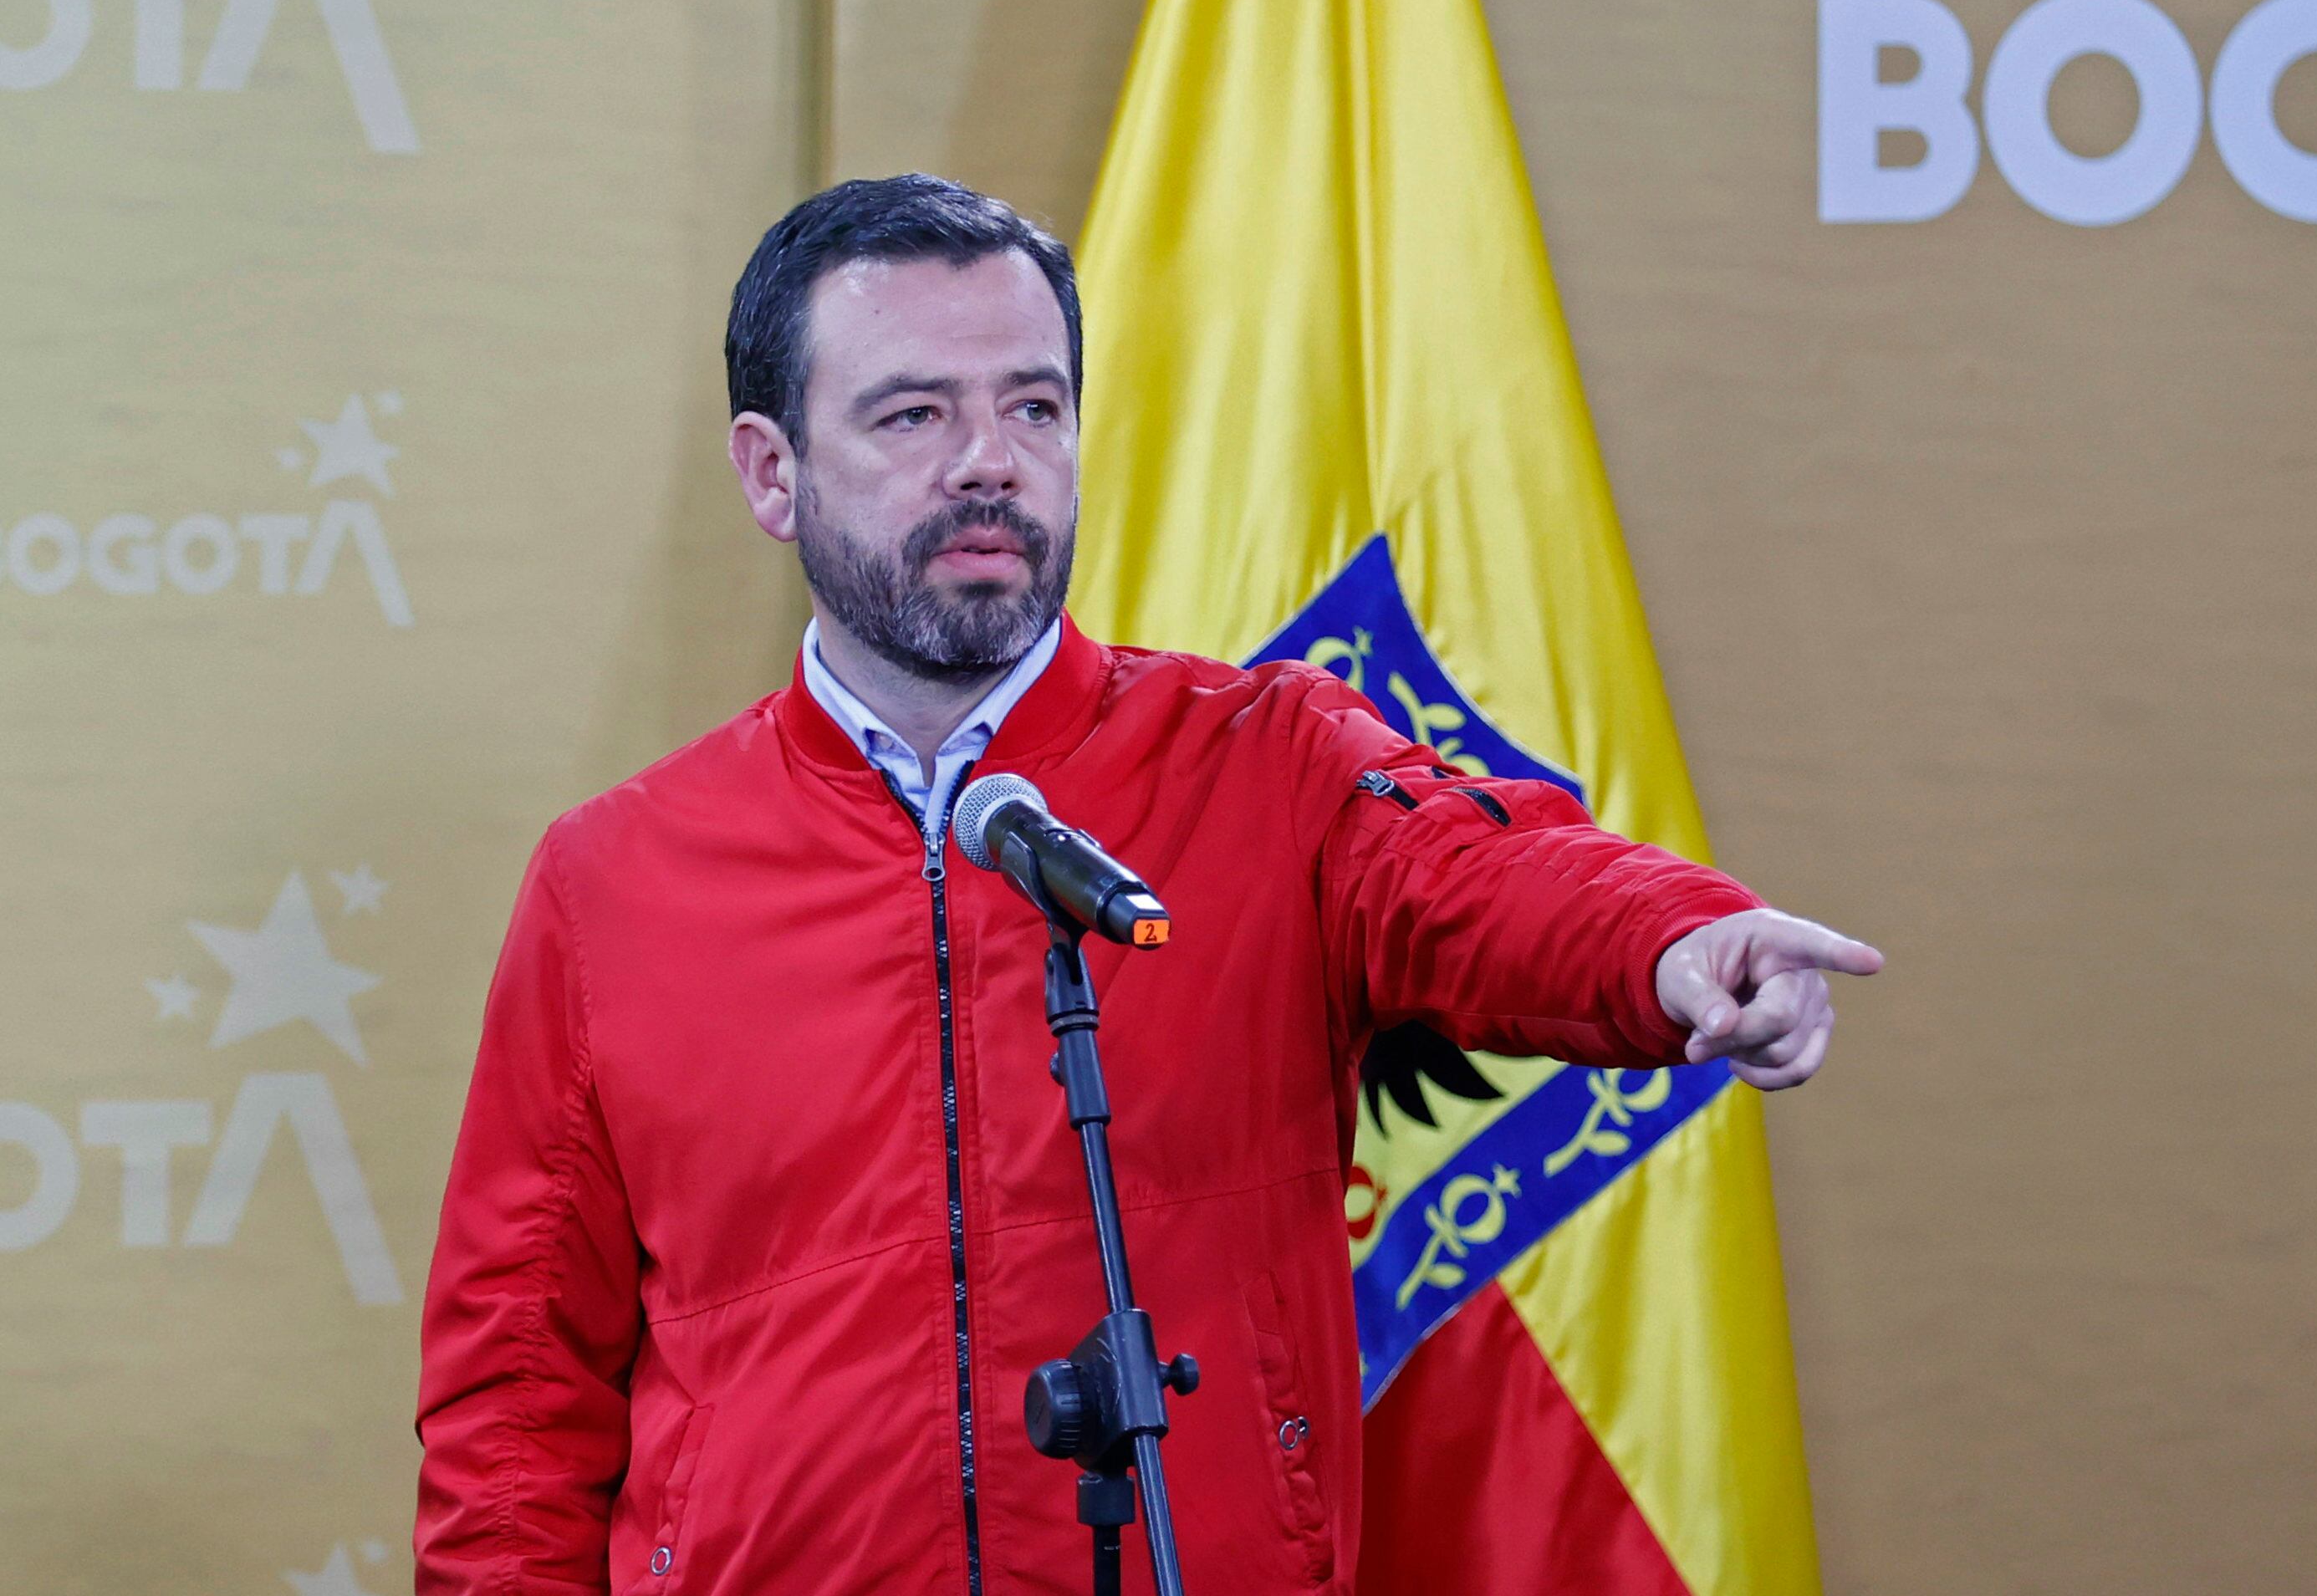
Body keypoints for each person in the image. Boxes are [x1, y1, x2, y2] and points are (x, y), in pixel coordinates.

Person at [413, 176, 1880, 1596]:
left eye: (1033, 407)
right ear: (769, 472)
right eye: (914, 413)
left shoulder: (1264, 762)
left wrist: (1673, 941)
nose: (988, 461)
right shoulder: (614, 881)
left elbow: (1477, 876)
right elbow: (514, 1401)